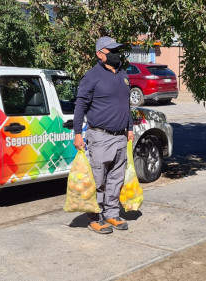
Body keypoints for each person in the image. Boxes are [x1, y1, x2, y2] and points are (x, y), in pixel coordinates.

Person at [73, 36, 134, 234]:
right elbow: (80, 104)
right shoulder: (92, 76)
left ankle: (112, 213)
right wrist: (77, 133)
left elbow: (126, 105)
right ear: (100, 54)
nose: (116, 54)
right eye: (112, 51)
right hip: (100, 136)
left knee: (116, 179)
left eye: (117, 50)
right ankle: (95, 217)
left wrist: (130, 127)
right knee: (98, 180)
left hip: (120, 136)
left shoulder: (123, 75)